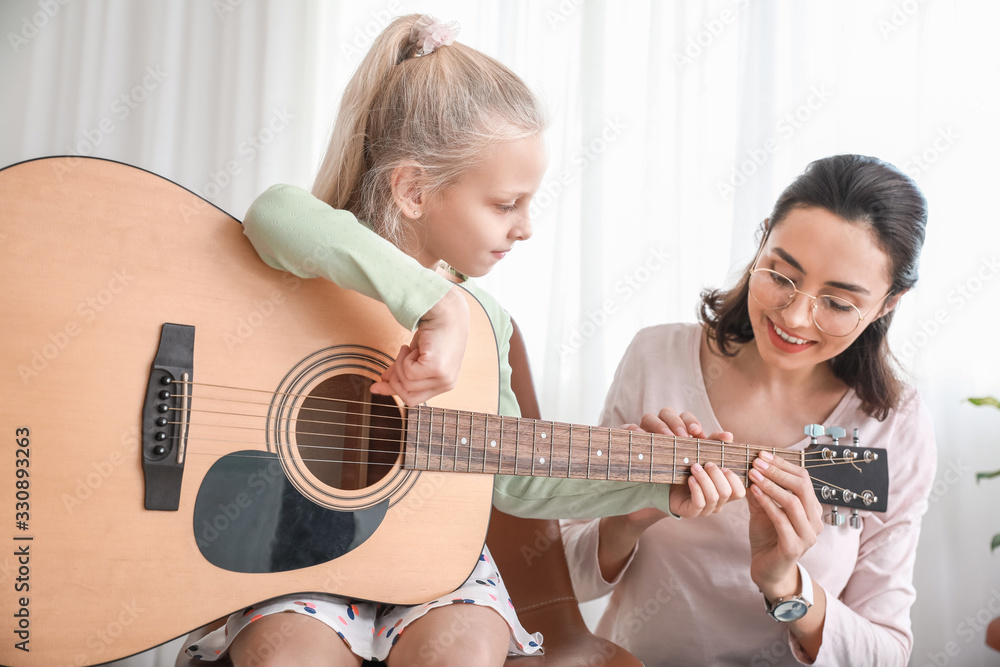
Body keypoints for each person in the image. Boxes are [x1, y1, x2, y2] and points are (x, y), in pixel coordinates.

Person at [182, 14, 740, 667]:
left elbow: (516, 481)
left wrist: (650, 485)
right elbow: (276, 209)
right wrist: (436, 304)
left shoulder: (486, 319)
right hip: (293, 552)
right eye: (506, 204)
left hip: (433, 564)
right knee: (285, 656)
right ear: (415, 191)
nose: (526, 227)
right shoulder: (316, 263)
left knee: (465, 651)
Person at [561, 154, 936, 666]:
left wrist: (785, 583)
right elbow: (563, 582)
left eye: (839, 303)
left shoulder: (894, 425)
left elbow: (885, 655)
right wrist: (631, 516)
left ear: (888, 303)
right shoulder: (657, 359)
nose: (796, 318)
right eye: (781, 276)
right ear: (762, 241)